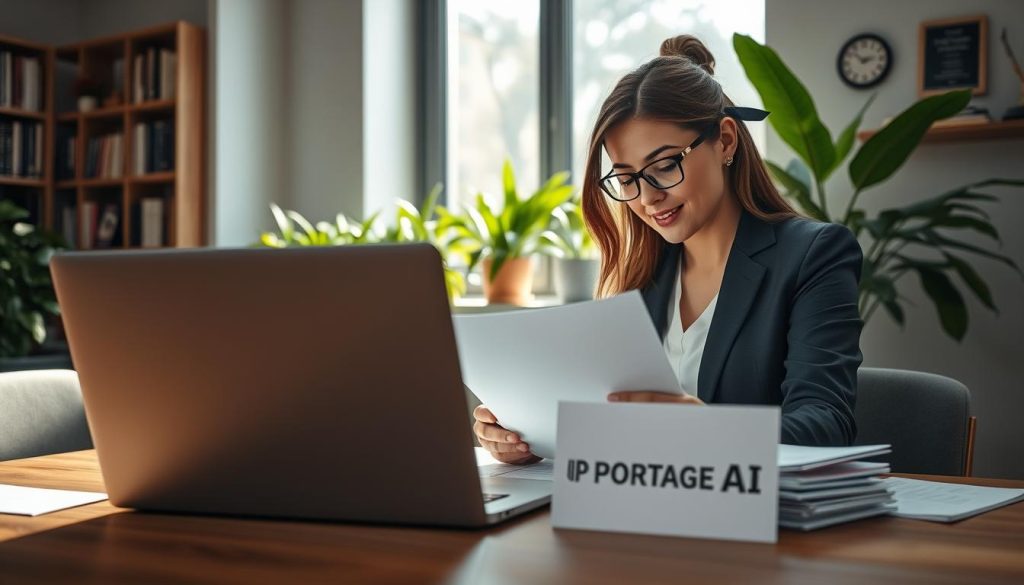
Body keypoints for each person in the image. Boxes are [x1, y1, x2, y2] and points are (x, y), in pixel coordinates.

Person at [474, 34, 863, 464]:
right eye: (626, 179)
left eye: (663, 166)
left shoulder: (814, 255)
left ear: (727, 142)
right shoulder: (641, 276)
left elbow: (825, 425)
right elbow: (613, 424)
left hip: (757, 518)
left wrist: (707, 430)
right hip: (641, 509)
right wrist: (530, 439)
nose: (646, 197)